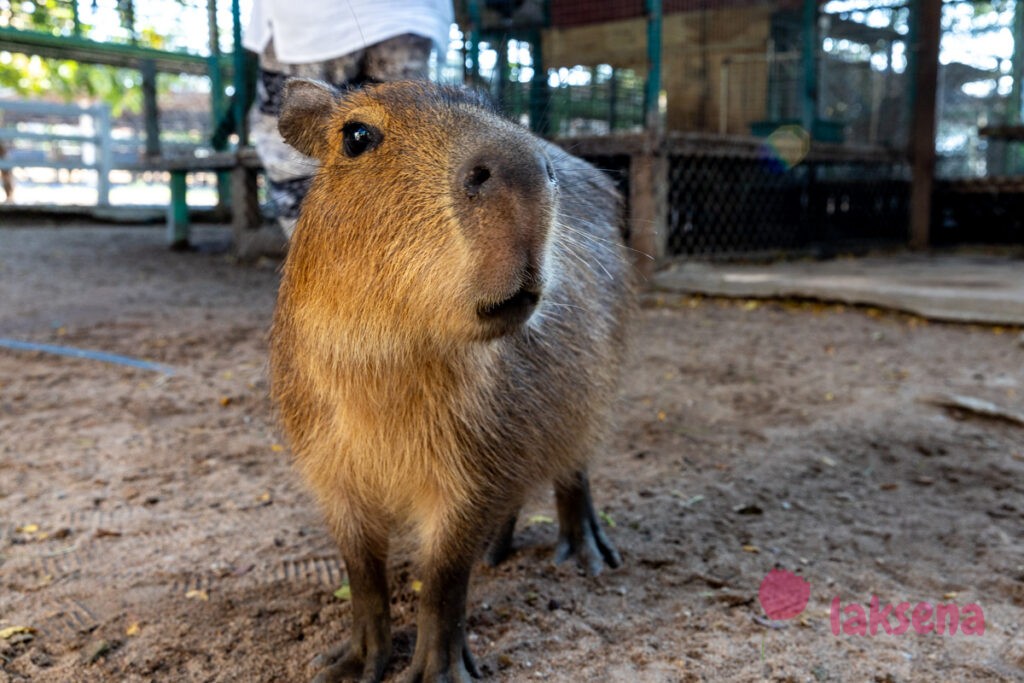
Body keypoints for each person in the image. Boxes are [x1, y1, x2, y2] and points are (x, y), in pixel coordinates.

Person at [244, 0, 454, 237]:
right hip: (409, 16)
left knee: (293, 162)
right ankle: (393, 266)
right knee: (405, 160)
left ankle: (320, 264)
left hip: (305, 18)